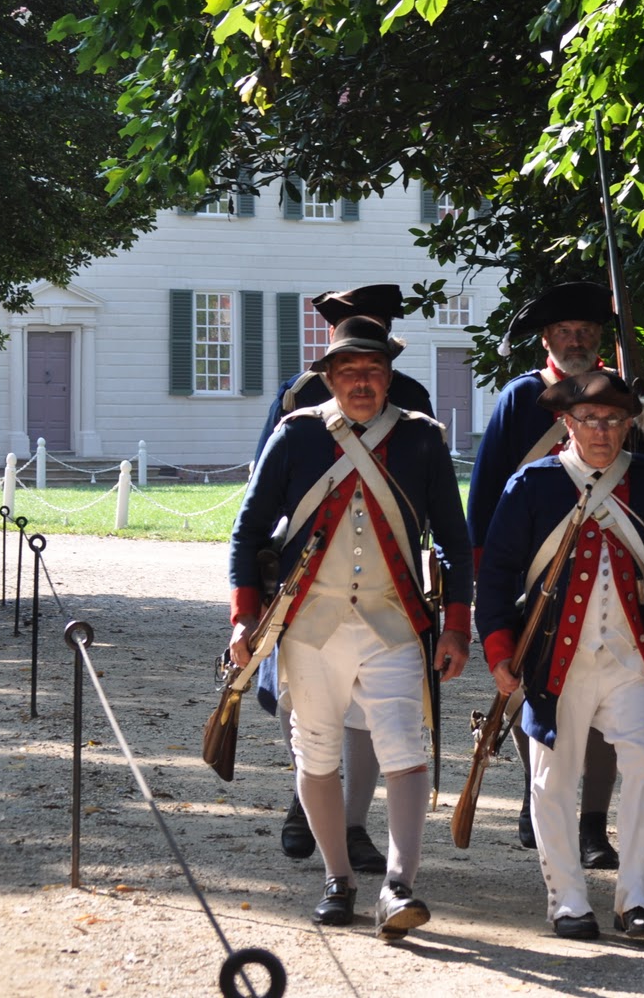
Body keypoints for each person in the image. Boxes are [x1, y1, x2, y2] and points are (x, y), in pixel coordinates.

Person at [227, 316, 472, 940]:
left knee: (405, 753)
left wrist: (457, 625)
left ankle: (398, 886)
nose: (362, 383)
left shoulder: (421, 440)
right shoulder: (296, 436)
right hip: (309, 626)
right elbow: (249, 531)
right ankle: (338, 878)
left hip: (393, 623)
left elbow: (453, 538)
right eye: (350, 372)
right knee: (316, 754)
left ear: (389, 378)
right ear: (329, 378)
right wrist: (243, 617)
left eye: (374, 372)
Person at [475, 371, 644, 942]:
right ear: (567, 423)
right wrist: (497, 648)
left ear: (629, 425)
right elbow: (495, 577)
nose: (603, 431)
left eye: (615, 421)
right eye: (590, 420)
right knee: (552, 780)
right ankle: (567, 901)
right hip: (551, 661)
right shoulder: (532, 484)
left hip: (632, 659)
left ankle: (637, 899)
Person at [252, 283, 434, 874]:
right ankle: (305, 803)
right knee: (306, 712)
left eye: (374, 337)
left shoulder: (413, 406)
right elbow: (268, 487)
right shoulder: (300, 401)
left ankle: (355, 824)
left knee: (378, 721)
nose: (361, 373)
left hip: (386, 592)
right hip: (311, 579)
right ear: (330, 357)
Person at [467, 280, 643, 868]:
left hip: (607, 569)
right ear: (546, 339)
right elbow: (489, 489)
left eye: (586, 333)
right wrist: (483, 575)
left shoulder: (627, 400)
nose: (575, 340)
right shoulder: (522, 399)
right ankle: (532, 793)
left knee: (600, 704)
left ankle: (593, 824)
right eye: (565, 332)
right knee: (527, 691)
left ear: (599, 341)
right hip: (533, 570)